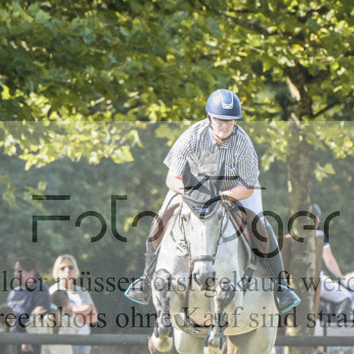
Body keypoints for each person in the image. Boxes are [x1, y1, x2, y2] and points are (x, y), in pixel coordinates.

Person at [125, 89, 300, 313]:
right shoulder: (192, 136)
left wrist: (222, 197)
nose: (224, 126)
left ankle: (281, 287)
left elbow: (247, 187)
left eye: (230, 120)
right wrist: (190, 193)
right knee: (160, 219)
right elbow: (172, 177)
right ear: (209, 117)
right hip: (193, 188)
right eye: (219, 119)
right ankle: (145, 279)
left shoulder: (243, 144)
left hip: (234, 188)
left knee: (260, 224)